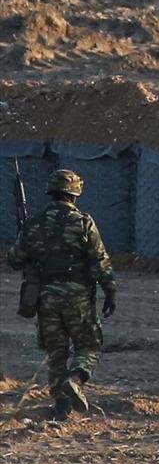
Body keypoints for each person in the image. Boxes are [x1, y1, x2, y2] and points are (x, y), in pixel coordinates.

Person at [7, 169, 117, 422]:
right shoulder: (83, 222)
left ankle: (61, 406)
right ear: (75, 194)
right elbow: (100, 262)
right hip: (77, 296)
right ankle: (75, 379)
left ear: (51, 192)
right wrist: (110, 291)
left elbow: (14, 258)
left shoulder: (34, 223)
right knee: (88, 345)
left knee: (56, 352)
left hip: (45, 297)